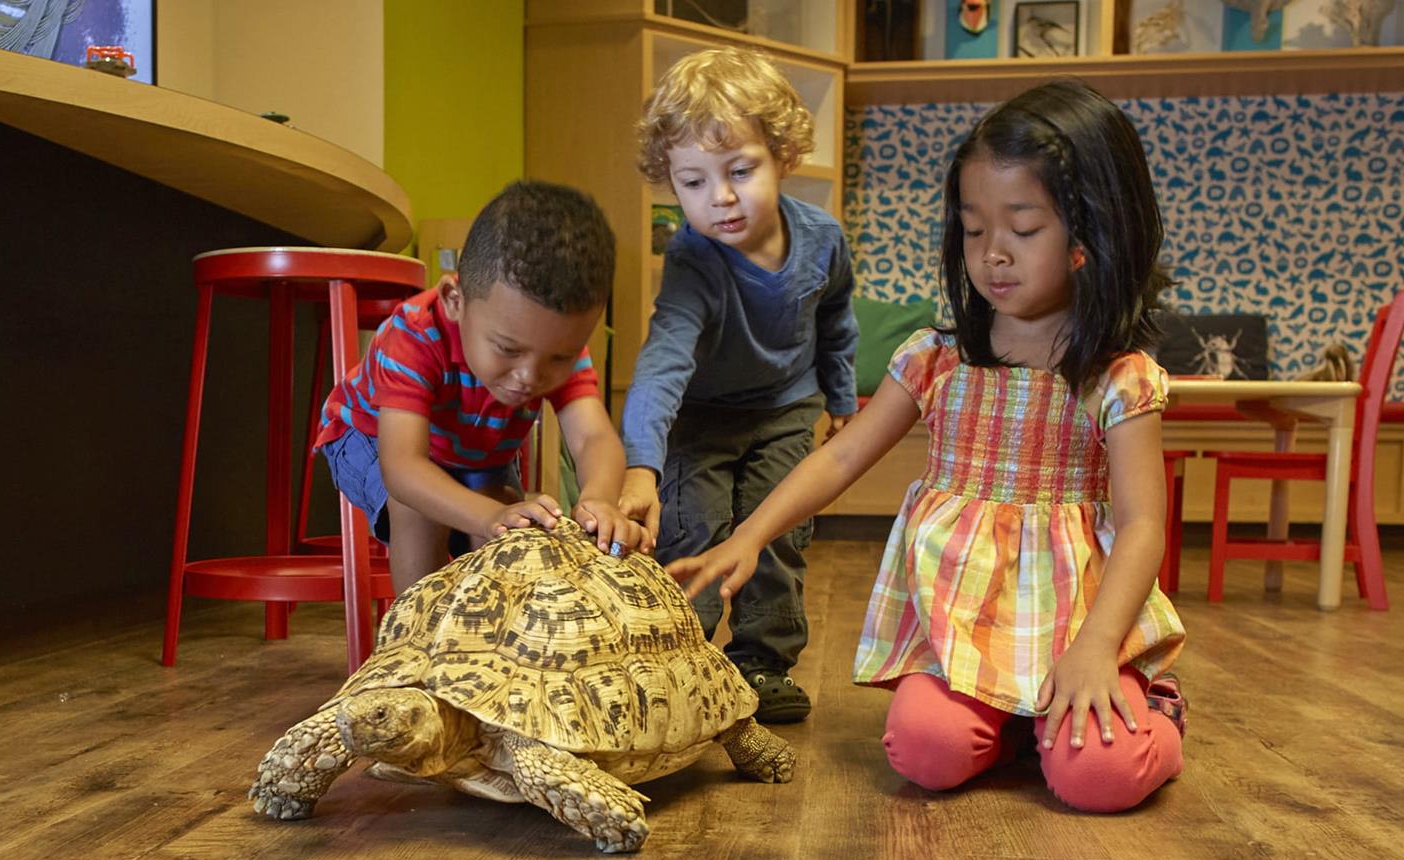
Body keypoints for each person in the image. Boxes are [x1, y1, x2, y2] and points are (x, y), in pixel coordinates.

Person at [668, 80, 1189, 812]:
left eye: (1023, 228)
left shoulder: (1118, 378)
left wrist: (1100, 648)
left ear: (1091, 233)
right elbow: (841, 457)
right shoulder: (935, 359)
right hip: (968, 628)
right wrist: (751, 535)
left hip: (1080, 625)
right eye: (974, 230)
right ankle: (1013, 724)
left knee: (1097, 778)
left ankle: (1151, 713)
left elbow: (1141, 523)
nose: (993, 254)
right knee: (924, 751)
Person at [618, 47, 859, 724]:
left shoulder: (824, 240)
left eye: (740, 172)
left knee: (777, 533)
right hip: (700, 416)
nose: (718, 198)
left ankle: (761, 661)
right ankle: (681, 657)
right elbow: (665, 356)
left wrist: (841, 400)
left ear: (783, 154)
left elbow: (837, 322)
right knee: (694, 528)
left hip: (786, 409)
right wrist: (641, 464)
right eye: (692, 182)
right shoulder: (693, 258)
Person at [313, 180, 646, 596]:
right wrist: (489, 515)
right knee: (421, 510)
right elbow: (403, 469)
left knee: (519, 524)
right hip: (369, 440)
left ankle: (487, 646)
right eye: (508, 349)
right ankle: (418, 639)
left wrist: (598, 498)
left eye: (558, 358)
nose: (530, 376)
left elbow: (594, 436)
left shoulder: (551, 344)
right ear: (455, 300)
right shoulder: (415, 334)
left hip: (472, 448)